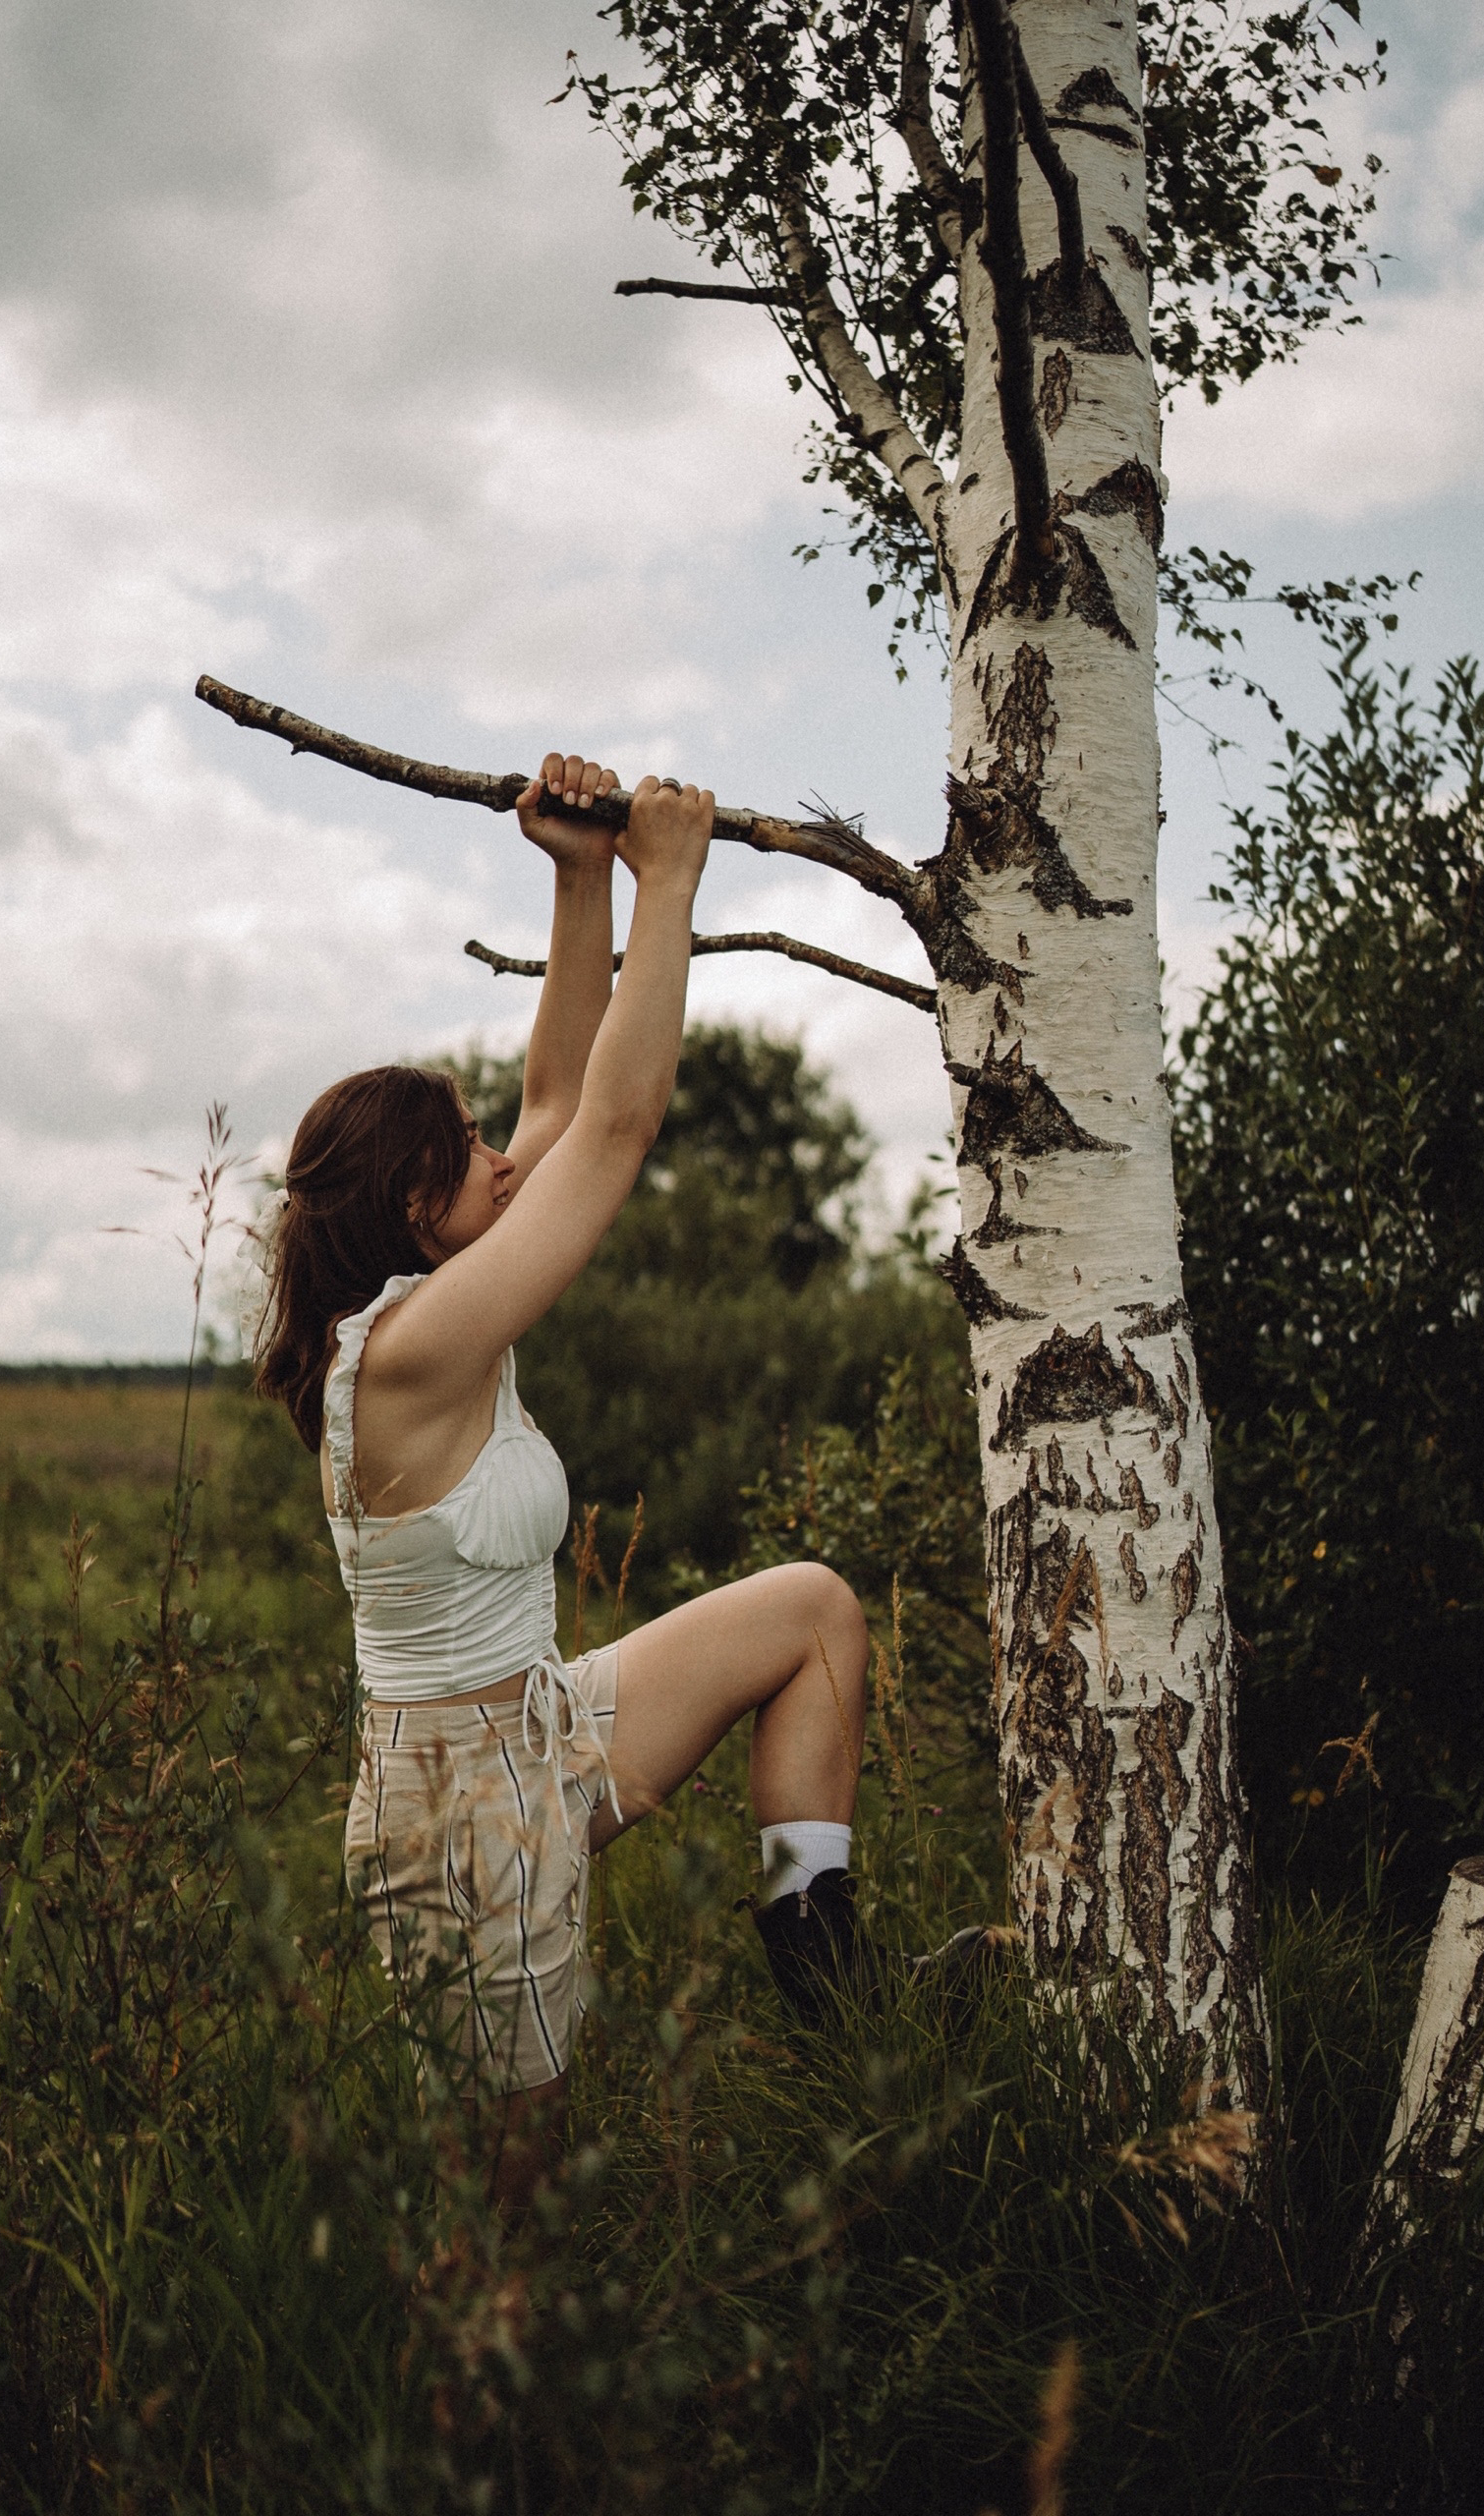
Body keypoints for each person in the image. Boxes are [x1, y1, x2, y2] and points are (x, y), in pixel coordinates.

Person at [256, 752, 989, 2200]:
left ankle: (822, 1968)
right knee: (505, 2206)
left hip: (545, 1727)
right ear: (414, 1207)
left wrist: (580, 877)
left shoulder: (438, 1295)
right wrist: (671, 882)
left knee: (810, 1613)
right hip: (458, 1814)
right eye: (469, 1151)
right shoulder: (406, 1354)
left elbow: (558, 1098)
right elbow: (612, 1125)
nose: (501, 1159)